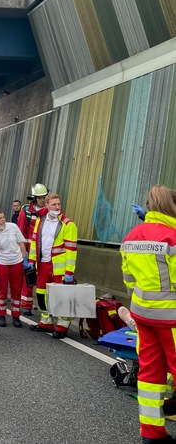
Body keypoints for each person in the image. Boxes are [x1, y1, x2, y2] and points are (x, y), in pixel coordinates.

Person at [121, 185, 176, 444]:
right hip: (172, 319)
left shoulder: (132, 235)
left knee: (151, 375)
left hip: (143, 315)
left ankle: (152, 433)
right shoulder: (173, 237)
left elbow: (129, 279)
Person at [27, 193, 77, 339]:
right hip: (42, 264)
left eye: (59, 204)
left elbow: (71, 250)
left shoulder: (68, 224)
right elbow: (34, 242)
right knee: (41, 294)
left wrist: (69, 272)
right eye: (54, 204)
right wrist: (31, 260)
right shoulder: (40, 221)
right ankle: (46, 321)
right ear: (47, 205)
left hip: (59, 268)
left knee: (61, 297)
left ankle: (62, 326)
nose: (57, 207)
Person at [0, 210, 27, 328]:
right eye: (0, 218)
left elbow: (21, 243)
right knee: (2, 290)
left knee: (16, 289)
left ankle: (16, 316)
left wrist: (24, 258)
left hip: (16, 262)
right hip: (1, 263)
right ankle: (1, 315)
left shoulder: (13, 227)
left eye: (3, 217)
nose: (3, 220)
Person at [17, 183, 50, 316]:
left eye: (44, 197)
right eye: (40, 197)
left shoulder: (50, 210)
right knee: (29, 278)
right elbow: (21, 233)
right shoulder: (26, 211)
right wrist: (23, 254)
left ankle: (46, 306)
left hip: (46, 251)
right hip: (30, 250)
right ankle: (26, 305)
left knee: (45, 278)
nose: (43, 200)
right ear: (34, 198)